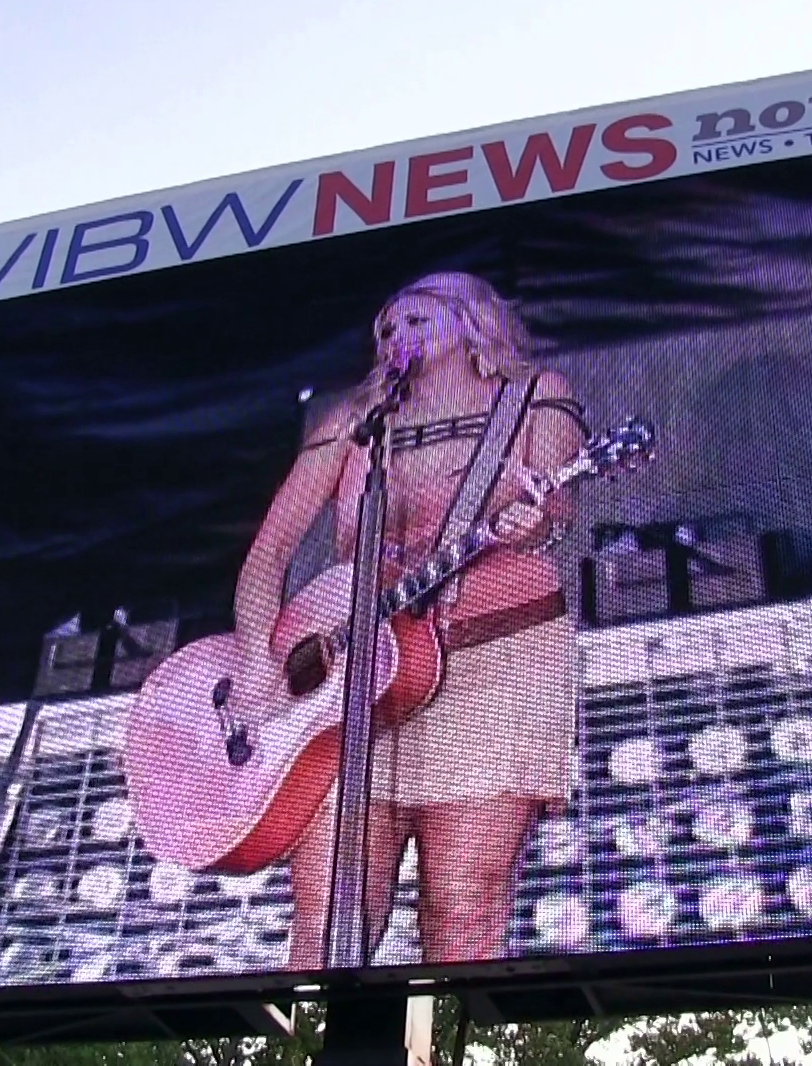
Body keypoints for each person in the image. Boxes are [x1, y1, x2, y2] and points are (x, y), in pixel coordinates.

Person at [231, 271, 588, 968]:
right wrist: (255, 663)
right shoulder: (355, 424)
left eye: (419, 320)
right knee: (330, 910)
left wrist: (534, 519)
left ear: (475, 323)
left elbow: (554, 506)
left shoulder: (535, 395)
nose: (398, 336)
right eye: (387, 329)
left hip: (494, 666)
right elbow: (267, 553)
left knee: (463, 901)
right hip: (355, 681)